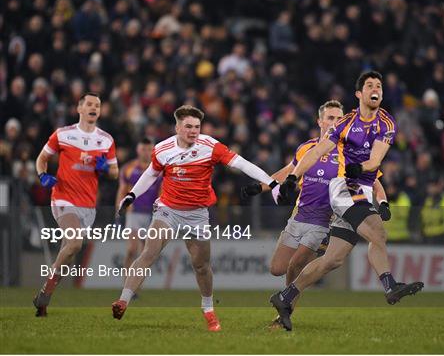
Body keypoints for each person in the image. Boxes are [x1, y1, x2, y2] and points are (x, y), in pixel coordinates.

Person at [271, 71, 423, 331]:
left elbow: (375, 162)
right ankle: (389, 285)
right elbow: (318, 150)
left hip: (361, 187)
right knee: (378, 233)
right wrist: (292, 177)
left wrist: (362, 171)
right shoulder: (345, 123)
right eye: (370, 85)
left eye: (379, 86)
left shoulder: (387, 124)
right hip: (342, 188)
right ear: (359, 94)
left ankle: (285, 297)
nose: (376, 89)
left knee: (333, 260)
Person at [112, 105, 279, 331]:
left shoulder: (210, 146)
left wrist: (271, 182)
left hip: (197, 214)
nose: (193, 131)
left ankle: (208, 308)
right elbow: (151, 173)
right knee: (148, 252)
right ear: (177, 127)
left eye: (197, 127)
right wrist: (132, 194)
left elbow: (242, 163)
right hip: (167, 210)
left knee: (201, 266)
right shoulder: (163, 149)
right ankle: (123, 300)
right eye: (188, 126)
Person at [242, 100, 391, 329]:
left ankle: (285, 312)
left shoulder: (351, 149)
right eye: (330, 118)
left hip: (324, 222)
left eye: (338, 118)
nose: (335, 122)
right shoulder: (306, 148)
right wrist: (263, 185)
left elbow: (375, 179)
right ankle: (286, 302)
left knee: (297, 264)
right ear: (320, 121)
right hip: (299, 217)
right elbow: (288, 172)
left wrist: (382, 202)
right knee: (278, 268)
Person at [33, 93, 119, 317]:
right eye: (89, 104)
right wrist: (43, 176)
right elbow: (41, 158)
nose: (94, 108)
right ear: (79, 108)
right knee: (74, 243)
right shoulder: (63, 134)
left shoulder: (106, 139)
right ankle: (47, 293)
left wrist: (104, 168)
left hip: (88, 205)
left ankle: (43, 296)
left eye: (98, 105)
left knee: (68, 252)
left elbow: (114, 171)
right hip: (63, 198)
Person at [115, 138, 162, 276]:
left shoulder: (159, 170)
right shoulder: (128, 168)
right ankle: (126, 283)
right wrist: (118, 211)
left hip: (152, 215)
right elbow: (122, 191)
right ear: (137, 150)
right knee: (132, 249)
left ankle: (134, 287)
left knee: (144, 253)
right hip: (133, 212)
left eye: (149, 149)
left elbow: (162, 191)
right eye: (143, 149)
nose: (146, 152)